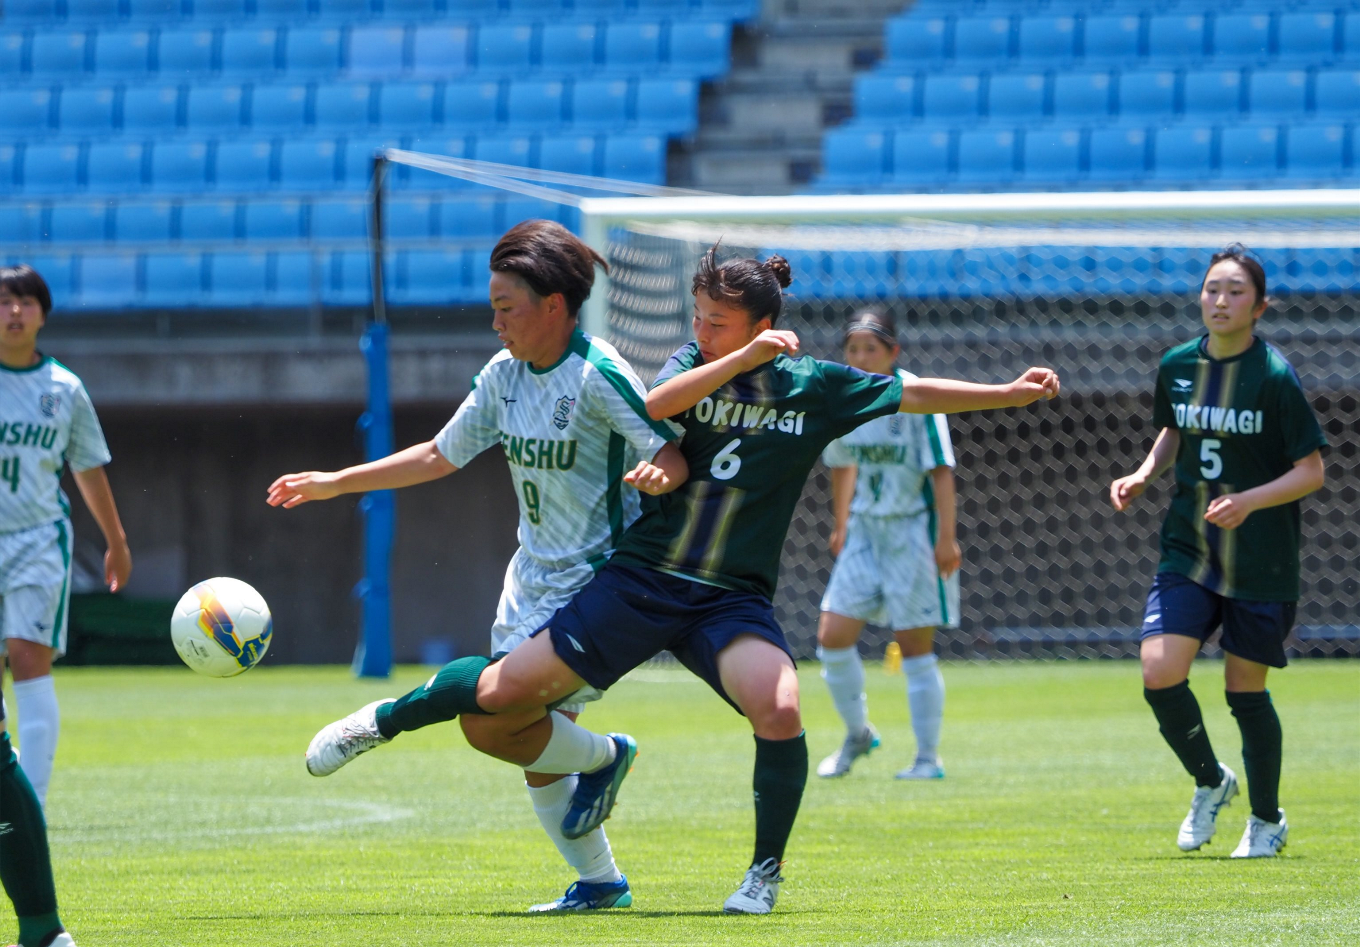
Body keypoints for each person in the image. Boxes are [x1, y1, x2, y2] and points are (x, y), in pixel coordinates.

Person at [309, 244, 1059, 913]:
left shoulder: (815, 387)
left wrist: (1008, 393)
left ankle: (763, 875)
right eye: (698, 318)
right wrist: (733, 359)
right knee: (499, 698)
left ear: (762, 321)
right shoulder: (687, 368)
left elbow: (914, 393)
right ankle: (414, 731)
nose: (700, 333)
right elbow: (657, 406)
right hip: (643, 579)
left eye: (717, 323)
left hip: (728, 599)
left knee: (782, 705)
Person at [270, 222, 688, 912]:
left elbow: (669, 448)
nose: (494, 322)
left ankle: (384, 719)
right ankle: (601, 871)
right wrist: (336, 481)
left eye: (506, 306)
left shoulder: (598, 373)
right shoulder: (502, 378)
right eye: (491, 306)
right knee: (508, 736)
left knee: (491, 703)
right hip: (529, 582)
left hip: (599, 588)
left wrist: (658, 473)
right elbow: (439, 454)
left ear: (553, 305)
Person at [1110, 245, 1327, 859]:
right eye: (1212, 289)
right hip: (1189, 545)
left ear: (1259, 306)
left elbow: (1311, 472)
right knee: (1159, 671)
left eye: (1234, 291)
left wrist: (1251, 500)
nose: (1220, 301)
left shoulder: (1276, 377)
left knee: (1243, 691)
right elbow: (1176, 428)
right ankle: (1210, 781)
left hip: (1261, 557)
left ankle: (1266, 819)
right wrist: (1144, 472)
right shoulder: (1178, 364)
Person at [0, 265, 116, 947]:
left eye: (23, 301)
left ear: (42, 314)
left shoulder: (63, 389)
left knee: (26, 659)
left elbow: (90, 469)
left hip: (37, 542)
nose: (12, 310)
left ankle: (26, 802)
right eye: (2, 301)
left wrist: (118, 539)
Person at [814, 306, 960, 781]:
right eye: (852, 348)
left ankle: (927, 758)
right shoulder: (844, 397)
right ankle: (858, 734)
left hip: (911, 532)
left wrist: (946, 539)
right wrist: (840, 524)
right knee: (832, 637)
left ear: (893, 352)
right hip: (863, 530)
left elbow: (940, 471)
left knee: (913, 645)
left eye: (869, 349)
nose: (859, 356)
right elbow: (841, 463)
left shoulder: (917, 397)